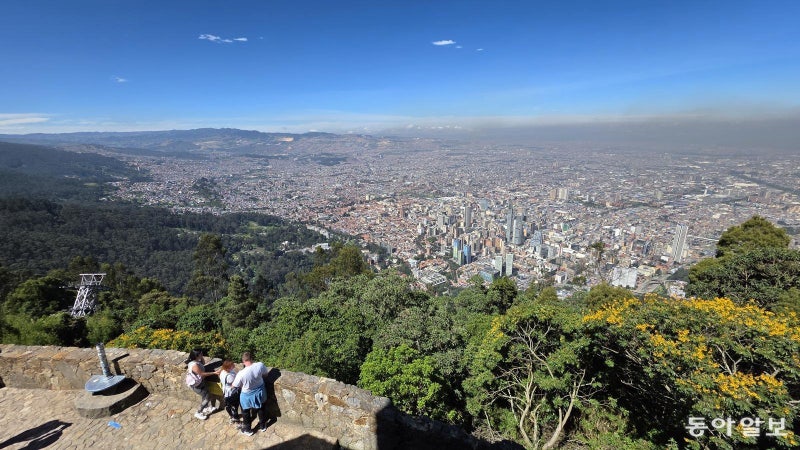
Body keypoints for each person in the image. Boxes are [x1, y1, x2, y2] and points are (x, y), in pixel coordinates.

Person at [231, 351, 270, 436]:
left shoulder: (241, 373)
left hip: (247, 395)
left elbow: (234, 386)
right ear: (252, 359)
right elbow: (266, 375)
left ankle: (248, 430)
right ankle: (262, 426)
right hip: (260, 390)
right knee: (261, 408)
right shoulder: (260, 365)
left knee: (246, 412)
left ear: (243, 361)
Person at [186, 349, 220, 420]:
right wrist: (214, 373)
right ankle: (198, 412)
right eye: (201, 354)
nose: (202, 355)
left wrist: (200, 357)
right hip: (197, 385)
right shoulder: (194, 365)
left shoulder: (196, 361)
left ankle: (206, 408)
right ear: (196, 356)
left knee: (205, 395)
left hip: (200, 383)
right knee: (207, 398)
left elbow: (203, 363)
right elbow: (202, 374)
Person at [220, 359, 242, 424]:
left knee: (228, 405)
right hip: (232, 393)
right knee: (235, 406)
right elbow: (235, 384)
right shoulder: (229, 376)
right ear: (229, 367)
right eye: (232, 364)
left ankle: (231, 416)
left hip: (226, 392)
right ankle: (236, 419)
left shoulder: (222, 372)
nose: (234, 365)